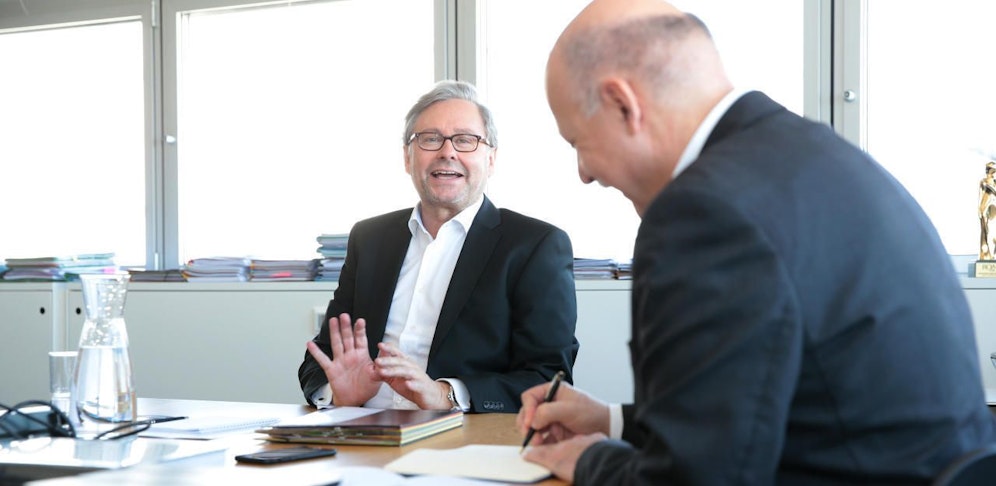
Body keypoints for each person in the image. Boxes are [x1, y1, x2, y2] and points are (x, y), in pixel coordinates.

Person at [516, 0, 996, 483]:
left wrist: (589, 461)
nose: (584, 174)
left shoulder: (703, 214)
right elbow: (779, 406)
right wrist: (613, 420)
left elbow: (693, 480)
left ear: (624, 103)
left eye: (577, 141)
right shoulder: (816, 158)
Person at [298, 80, 578, 413]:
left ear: (491, 159)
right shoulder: (370, 238)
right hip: (361, 430)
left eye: (465, 140)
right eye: (430, 139)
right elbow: (322, 357)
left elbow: (549, 379)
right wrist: (337, 394)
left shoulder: (536, 246)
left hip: (460, 441)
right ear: (407, 157)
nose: (447, 151)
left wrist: (444, 395)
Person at [979, 161, 996, 260]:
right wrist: (979, 209)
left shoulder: (994, 182)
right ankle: (985, 254)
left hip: (994, 208)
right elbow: (980, 195)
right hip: (984, 207)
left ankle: (993, 254)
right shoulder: (983, 181)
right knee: (985, 231)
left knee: (993, 231)